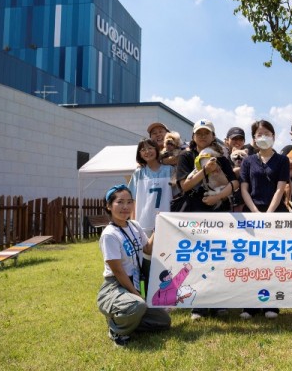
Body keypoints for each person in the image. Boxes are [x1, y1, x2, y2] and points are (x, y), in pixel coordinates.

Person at [175, 119, 239, 320]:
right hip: (195, 211)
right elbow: (184, 186)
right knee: (197, 258)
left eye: (207, 133)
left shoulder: (220, 156)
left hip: (219, 211)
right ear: (193, 136)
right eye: (199, 133)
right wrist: (205, 170)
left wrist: (217, 197)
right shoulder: (186, 156)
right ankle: (199, 305)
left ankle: (219, 302)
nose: (202, 136)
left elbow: (235, 183)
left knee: (219, 257)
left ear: (213, 136)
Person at [97, 184, 171, 347]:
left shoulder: (134, 225)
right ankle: (116, 329)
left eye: (129, 202)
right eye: (120, 202)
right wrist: (136, 294)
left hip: (136, 281)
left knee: (163, 321)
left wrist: (157, 227)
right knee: (137, 305)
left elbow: (147, 249)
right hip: (116, 285)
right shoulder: (109, 235)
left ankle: (129, 321)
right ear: (109, 206)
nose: (125, 207)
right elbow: (118, 271)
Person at [239, 120, 290, 319]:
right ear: (253, 139)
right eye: (259, 134)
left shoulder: (282, 160)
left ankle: (272, 304)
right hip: (251, 215)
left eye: (267, 133)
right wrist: (255, 212)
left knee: (273, 259)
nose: (263, 137)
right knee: (251, 261)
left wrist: (268, 214)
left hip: (275, 214)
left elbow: (281, 187)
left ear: (274, 136)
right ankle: (249, 305)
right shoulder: (248, 161)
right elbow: (244, 188)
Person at [128, 138, 175, 280]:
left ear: (157, 149)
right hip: (144, 222)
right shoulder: (138, 173)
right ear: (139, 154)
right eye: (143, 149)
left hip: (166, 220)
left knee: (167, 258)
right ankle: (148, 292)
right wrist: (131, 223)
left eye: (150, 148)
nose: (147, 151)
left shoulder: (170, 170)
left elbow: (177, 193)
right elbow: (132, 199)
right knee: (146, 259)